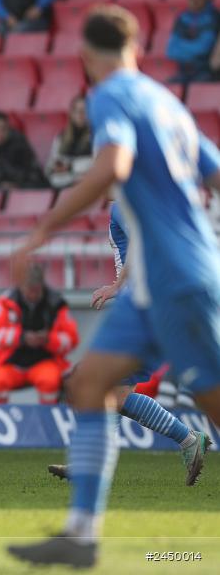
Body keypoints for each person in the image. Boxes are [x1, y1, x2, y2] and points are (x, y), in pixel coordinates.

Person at [8, 6, 220, 568]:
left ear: (85, 57)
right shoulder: (166, 101)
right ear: (139, 47)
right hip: (158, 281)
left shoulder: (109, 96)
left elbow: (113, 165)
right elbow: (215, 171)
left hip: (177, 277)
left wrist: (42, 231)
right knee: (90, 382)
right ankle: (81, 535)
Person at [47, 200, 210, 485]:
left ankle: (92, 466)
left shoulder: (124, 206)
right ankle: (186, 440)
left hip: (144, 307)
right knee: (111, 392)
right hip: (149, 304)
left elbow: (142, 249)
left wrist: (116, 287)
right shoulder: (132, 203)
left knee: (103, 387)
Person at [0, 264, 78, 405]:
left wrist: (48, 339)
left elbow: (71, 338)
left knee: (50, 380)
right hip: (10, 362)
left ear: (42, 286)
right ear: (21, 286)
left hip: (44, 361)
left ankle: (48, 418)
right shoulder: (5, 302)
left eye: (36, 290)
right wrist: (22, 338)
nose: (32, 294)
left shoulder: (56, 303)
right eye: (29, 289)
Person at [0, 112, 46, 189]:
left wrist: (16, 185)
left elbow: (34, 173)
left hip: (21, 189)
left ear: (8, 128)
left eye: (2, 129)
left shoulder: (19, 144)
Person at [167, 0, 219, 84]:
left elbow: (204, 47)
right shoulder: (182, 18)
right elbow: (171, 50)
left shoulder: (214, 17)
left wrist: (183, 48)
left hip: (206, 73)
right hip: (184, 73)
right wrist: (192, 49)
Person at [45, 96, 93, 189]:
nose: (80, 114)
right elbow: (51, 163)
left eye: (84, 110)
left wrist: (70, 167)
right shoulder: (61, 137)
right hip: (63, 182)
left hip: (86, 183)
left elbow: (98, 162)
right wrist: (55, 167)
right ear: (71, 113)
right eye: (76, 110)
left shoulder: (96, 136)